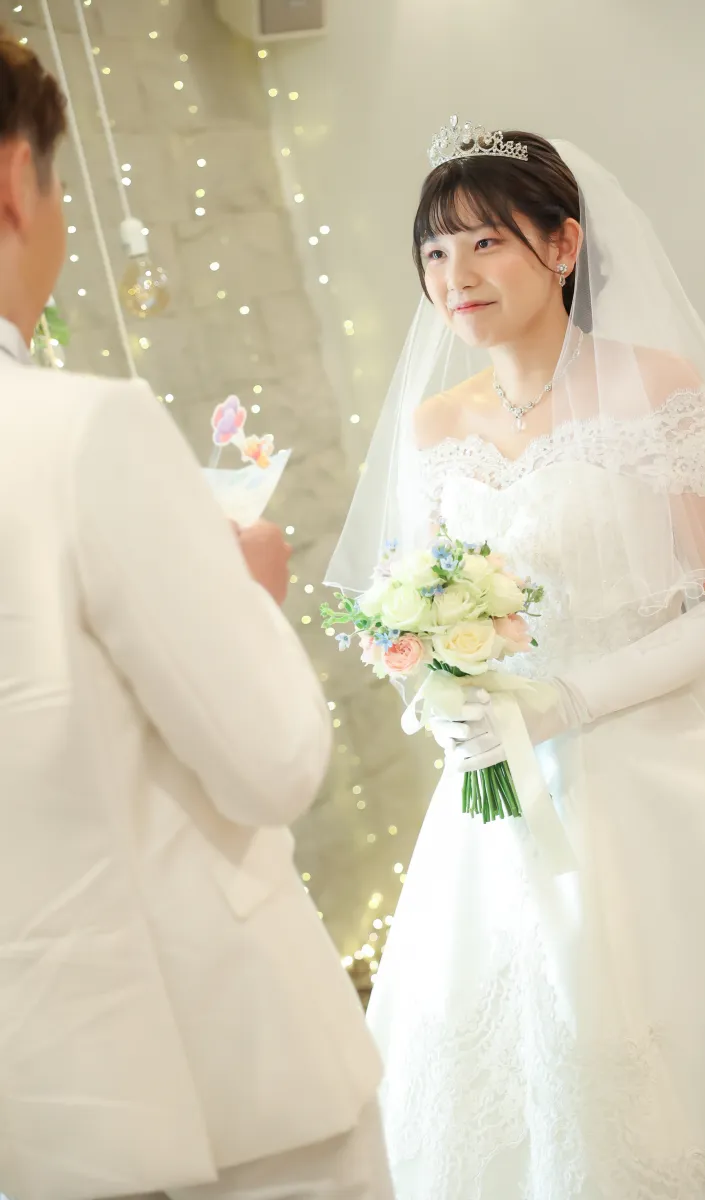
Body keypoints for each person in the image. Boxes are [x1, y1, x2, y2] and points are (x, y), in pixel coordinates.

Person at [326, 116, 705, 1199]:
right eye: (434, 250)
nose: (454, 275)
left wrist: (571, 699)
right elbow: (417, 605)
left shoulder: (654, 388)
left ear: (563, 245)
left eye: (485, 241)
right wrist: (434, 694)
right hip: (503, 786)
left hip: (668, 763)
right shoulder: (435, 426)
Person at [0, 31, 392, 1200]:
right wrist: (248, 597)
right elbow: (272, 763)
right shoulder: (79, 430)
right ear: (14, 182)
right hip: (218, 1079)